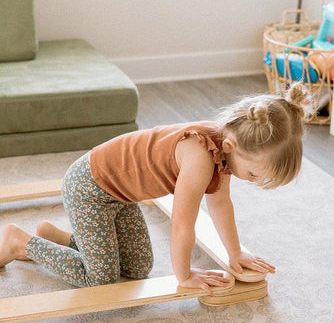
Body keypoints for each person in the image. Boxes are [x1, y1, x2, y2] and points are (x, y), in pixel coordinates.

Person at [0, 84, 306, 291]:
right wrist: (184, 275)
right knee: (100, 278)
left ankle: (56, 236)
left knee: (138, 267)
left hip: (120, 193)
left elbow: (220, 204)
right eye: (253, 175)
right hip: (89, 188)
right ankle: (20, 242)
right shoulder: (200, 157)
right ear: (231, 146)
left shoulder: (225, 148)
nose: (251, 181)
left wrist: (235, 252)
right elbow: (182, 224)